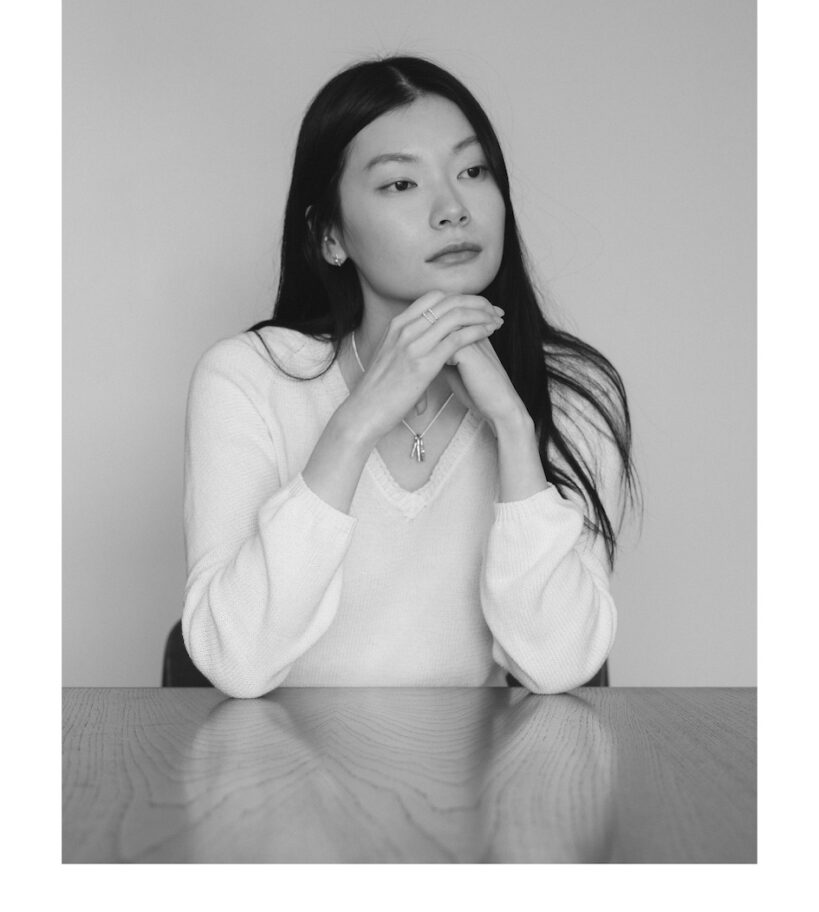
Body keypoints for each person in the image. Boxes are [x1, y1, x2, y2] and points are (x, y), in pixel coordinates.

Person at [182, 56, 639, 698]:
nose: (452, 209)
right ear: (330, 234)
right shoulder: (249, 379)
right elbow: (236, 660)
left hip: (479, 766)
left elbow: (559, 666)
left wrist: (513, 427)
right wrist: (356, 424)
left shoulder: (572, 395)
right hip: (279, 761)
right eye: (401, 183)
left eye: (472, 171)